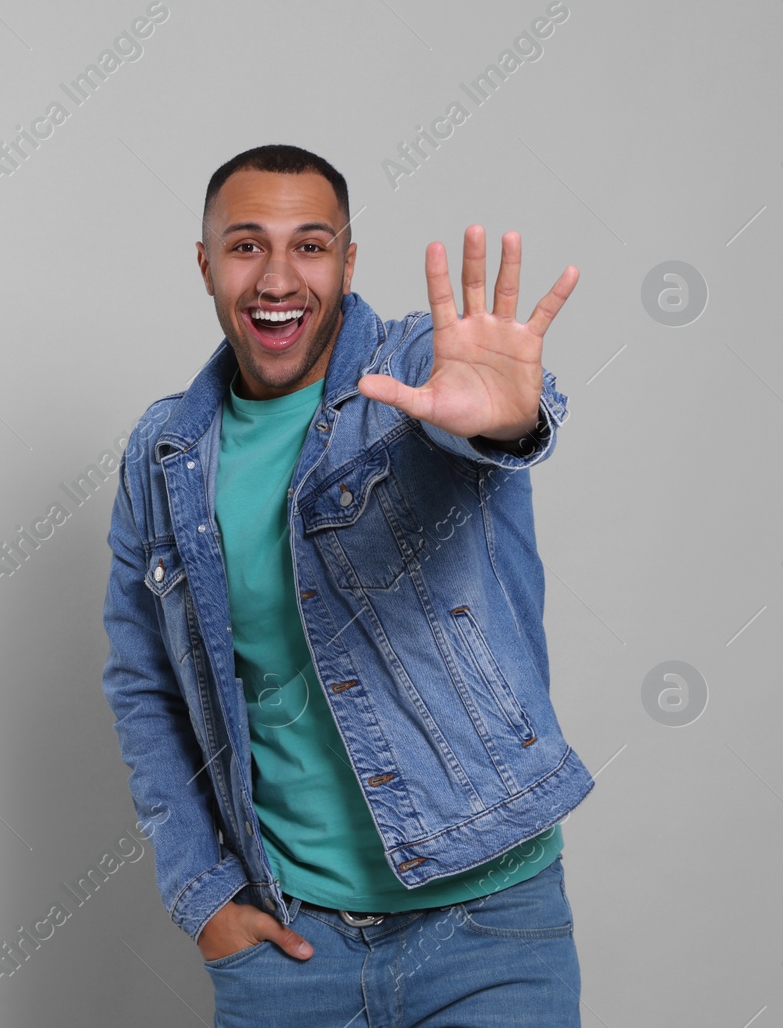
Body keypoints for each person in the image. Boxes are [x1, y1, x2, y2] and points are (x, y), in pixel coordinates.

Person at [100, 144, 593, 1026]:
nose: (278, 277)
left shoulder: (416, 370)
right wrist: (201, 893)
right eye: (247, 246)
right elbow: (144, 685)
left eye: (311, 245)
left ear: (349, 259)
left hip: (486, 930)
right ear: (206, 263)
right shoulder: (164, 451)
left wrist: (512, 418)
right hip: (292, 954)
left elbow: (497, 420)